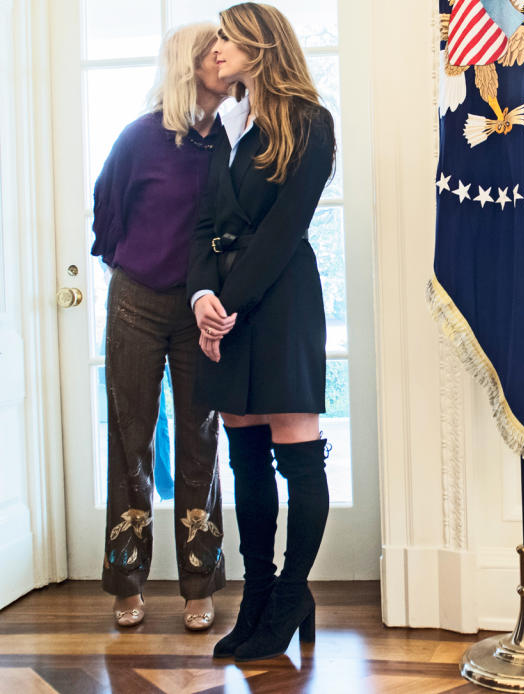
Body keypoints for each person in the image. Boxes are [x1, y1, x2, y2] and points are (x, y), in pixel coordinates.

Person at [186, 2, 336, 661]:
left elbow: (283, 232)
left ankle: (290, 595)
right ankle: (258, 597)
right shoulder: (220, 124)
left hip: (279, 301)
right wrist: (201, 300)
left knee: (296, 451)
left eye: (224, 36)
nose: (214, 48)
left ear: (259, 44)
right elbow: (200, 224)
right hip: (224, 305)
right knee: (244, 455)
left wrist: (229, 303)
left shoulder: (312, 122)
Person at [91, 23, 232, 631]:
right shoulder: (139, 139)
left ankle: (198, 584)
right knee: (132, 442)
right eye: (217, 51)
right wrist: (139, 266)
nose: (228, 60)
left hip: (202, 312)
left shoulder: (231, 139)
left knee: (201, 439)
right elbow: (105, 213)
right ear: (190, 65)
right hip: (137, 303)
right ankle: (127, 582)